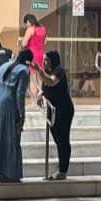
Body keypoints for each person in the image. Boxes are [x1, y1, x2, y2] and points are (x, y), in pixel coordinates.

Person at [0, 48, 34, 182]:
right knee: (12, 139)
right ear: (28, 61)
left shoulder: (4, 65)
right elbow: (20, 94)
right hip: (9, 105)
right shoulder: (24, 71)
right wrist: (22, 115)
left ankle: (0, 171)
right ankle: (11, 174)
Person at [32, 50, 74, 180]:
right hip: (53, 110)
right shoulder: (47, 72)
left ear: (53, 61)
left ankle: (63, 170)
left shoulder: (58, 71)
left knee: (63, 139)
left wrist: (39, 70)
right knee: (57, 139)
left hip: (64, 109)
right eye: (43, 60)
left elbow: (51, 82)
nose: (44, 62)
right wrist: (40, 95)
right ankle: (61, 168)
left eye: (47, 60)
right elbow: (45, 87)